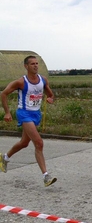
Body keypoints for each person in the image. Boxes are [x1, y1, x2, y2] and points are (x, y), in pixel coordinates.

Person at [0, 55, 57, 187]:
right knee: (39, 143)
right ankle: (46, 176)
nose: (36, 65)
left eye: (37, 63)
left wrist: (50, 99)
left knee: (24, 143)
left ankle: (4, 158)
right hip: (24, 114)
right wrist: (7, 112)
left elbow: (50, 94)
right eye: (32, 64)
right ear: (26, 66)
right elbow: (4, 94)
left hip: (36, 114)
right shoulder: (21, 82)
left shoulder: (43, 80)